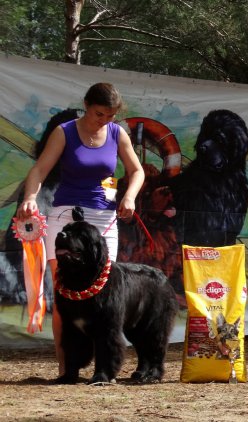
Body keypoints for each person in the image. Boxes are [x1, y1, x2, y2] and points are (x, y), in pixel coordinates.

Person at [16, 82, 145, 376]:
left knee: (106, 294)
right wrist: (30, 198)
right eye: (100, 114)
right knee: (64, 293)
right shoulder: (65, 132)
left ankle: (104, 370)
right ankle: (67, 370)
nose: (105, 121)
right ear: (87, 104)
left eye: (111, 116)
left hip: (103, 218)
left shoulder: (117, 133)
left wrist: (129, 196)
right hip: (65, 218)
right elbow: (39, 170)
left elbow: (136, 171)